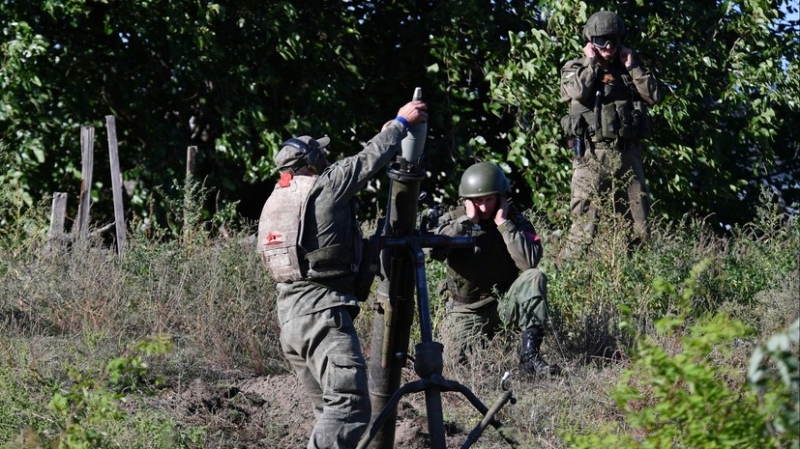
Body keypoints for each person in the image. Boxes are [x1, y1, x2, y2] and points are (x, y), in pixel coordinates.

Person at [256, 100, 428, 449]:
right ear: (312, 162)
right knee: (348, 410)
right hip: (323, 318)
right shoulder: (325, 186)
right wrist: (400, 123)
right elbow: (367, 162)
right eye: (321, 154)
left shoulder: (278, 199)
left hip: (291, 322)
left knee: (329, 413)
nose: (327, 159)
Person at [430, 162, 559, 376]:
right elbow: (435, 251)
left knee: (534, 277)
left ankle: (530, 358)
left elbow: (529, 263)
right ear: (467, 201)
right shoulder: (454, 220)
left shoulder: (514, 220)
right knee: (455, 369)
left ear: (500, 197)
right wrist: (468, 222)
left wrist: (504, 224)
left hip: (504, 303)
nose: (483, 207)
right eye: (477, 201)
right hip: (466, 310)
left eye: (489, 199)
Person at [559, 10, 662, 260]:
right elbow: (576, 92)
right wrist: (591, 63)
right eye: (602, 40)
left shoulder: (627, 70)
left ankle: (635, 284)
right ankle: (567, 283)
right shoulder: (575, 67)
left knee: (640, 227)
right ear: (590, 41)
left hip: (627, 155)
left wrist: (633, 67)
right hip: (592, 156)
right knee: (583, 229)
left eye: (613, 40)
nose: (608, 46)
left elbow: (654, 96)